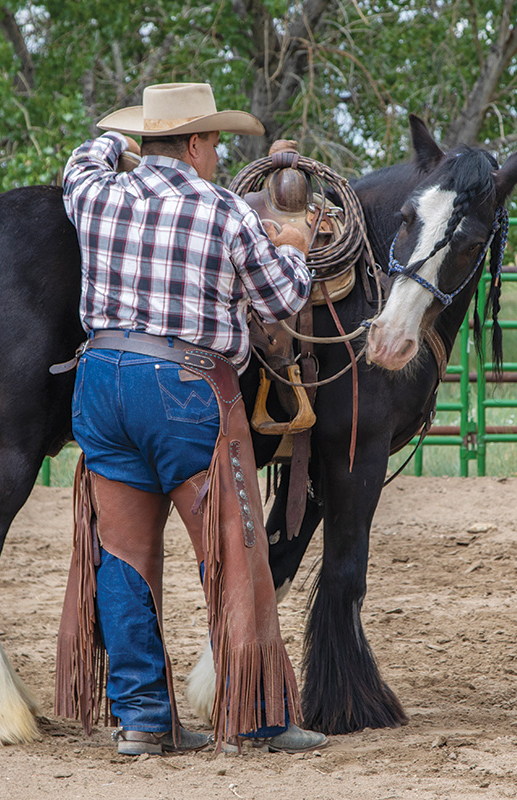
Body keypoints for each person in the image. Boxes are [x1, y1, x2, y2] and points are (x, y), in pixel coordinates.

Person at [53, 82, 328, 757]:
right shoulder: (223, 211)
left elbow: (80, 162)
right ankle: (260, 716)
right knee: (234, 550)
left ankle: (144, 719)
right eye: (214, 144)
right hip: (186, 390)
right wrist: (294, 243)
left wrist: (116, 139)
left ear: (147, 142)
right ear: (199, 144)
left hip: (102, 381)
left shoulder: (96, 192)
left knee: (120, 554)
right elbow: (282, 299)